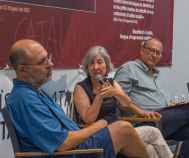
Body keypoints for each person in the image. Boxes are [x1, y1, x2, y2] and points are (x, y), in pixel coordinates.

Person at [6, 39, 150, 158]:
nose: (50, 64)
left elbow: (126, 103)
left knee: (145, 135)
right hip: (74, 153)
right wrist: (101, 124)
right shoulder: (24, 99)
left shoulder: (34, 92)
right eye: (42, 61)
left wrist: (116, 95)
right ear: (23, 69)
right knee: (123, 129)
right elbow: (63, 143)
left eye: (48, 58)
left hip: (78, 144)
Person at [73, 46, 173, 158]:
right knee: (153, 134)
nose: (96, 67)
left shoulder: (111, 82)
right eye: (91, 64)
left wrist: (118, 94)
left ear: (106, 65)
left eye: (100, 62)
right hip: (102, 134)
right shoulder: (80, 88)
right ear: (87, 67)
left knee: (150, 147)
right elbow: (88, 119)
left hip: (122, 130)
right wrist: (99, 97)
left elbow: (127, 104)